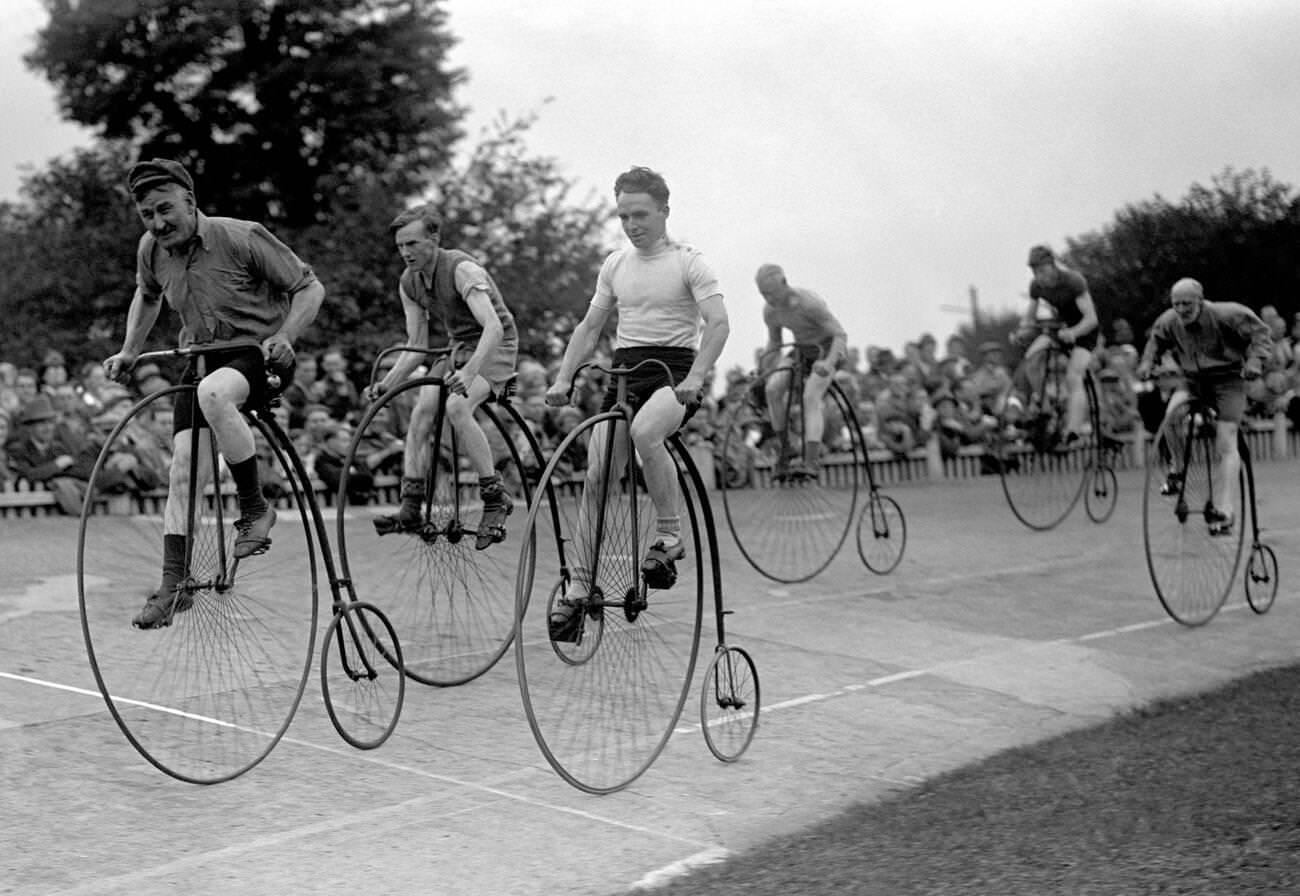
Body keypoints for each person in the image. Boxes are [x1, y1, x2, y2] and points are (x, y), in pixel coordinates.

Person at [103, 158, 325, 629]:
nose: (158, 223)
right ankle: (173, 584)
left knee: (213, 395)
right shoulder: (152, 250)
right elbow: (147, 296)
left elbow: (309, 287)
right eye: (147, 215)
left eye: (166, 209)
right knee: (182, 471)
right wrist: (127, 352)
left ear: (190, 201)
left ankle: (255, 508)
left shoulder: (240, 236)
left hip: (256, 356)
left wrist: (285, 335)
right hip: (200, 359)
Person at [544, 166, 729, 642]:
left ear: (664, 211)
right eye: (624, 215)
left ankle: (669, 536)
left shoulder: (690, 262)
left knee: (647, 432)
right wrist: (563, 378)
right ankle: (580, 589)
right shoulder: (615, 265)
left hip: (672, 375)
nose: (632, 224)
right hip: (624, 375)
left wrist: (697, 376)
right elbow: (589, 328)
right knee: (598, 472)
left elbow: (718, 323)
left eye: (641, 214)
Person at [365, 204, 519, 550]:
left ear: (434, 238)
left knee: (457, 407)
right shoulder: (409, 283)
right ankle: (411, 506)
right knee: (422, 412)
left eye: (413, 244)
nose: (406, 253)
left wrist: (470, 371)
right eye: (401, 246)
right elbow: (416, 344)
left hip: (495, 346)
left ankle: (495, 498)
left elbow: (493, 326)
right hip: (457, 348)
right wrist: (386, 386)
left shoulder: (462, 269)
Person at [1136, 278, 1271, 536]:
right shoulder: (1169, 320)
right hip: (1193, 381)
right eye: (1176, 304)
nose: (1182, 310)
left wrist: (1254, 362)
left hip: (1228, 381)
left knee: (1225, 441)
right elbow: (1155, 341)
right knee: (1171, 417)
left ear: (1200, 300)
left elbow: (1261, 334)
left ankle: (1225, 509)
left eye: (1187, 303)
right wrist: (1147, 363)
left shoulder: (1227, 314)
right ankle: (1177, 471)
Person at [753, 263, 849, 479]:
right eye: (763, 294)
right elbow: (775, 342)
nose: (768, 299)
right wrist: (765, 367)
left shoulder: (809, 304)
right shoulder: (770, 312)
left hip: (827, 349)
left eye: (771, 293)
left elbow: (840, 335)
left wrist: (828, 363)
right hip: (801, 351)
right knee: (773, 388)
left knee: (810, 396)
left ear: (784, 284)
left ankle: (812, 460)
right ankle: (786, 448)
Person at [1016, 245, 1099, 446]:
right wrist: (1022, 331)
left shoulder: (1073, 281)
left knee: (1074, 376)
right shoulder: (1036, 286)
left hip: (1083, 332)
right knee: (1031, 360)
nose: (1040, 276)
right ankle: (1046, 408)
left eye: (1042, 271)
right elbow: (1029, 317)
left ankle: (1073, 429)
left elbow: (1091, 319)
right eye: (1035, 272)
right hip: (1058, 328)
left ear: (1053, 266)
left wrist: (1074, 333)